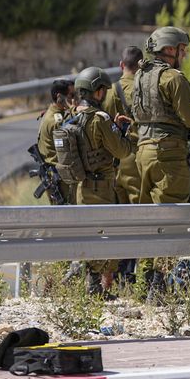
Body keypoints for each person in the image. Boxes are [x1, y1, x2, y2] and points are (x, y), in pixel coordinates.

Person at [132, 26, 190, 298]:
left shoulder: (140, 77)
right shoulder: (173, 78)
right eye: (181, 50)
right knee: (171, 217)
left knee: (148, 218)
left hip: (143, 152)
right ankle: (160, 286)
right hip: (169, 154)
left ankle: (144, 282)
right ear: (169, 50)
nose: (184, 55)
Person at [68, 67, 133, 294]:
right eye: (103, 90)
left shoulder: (72, 117)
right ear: (96, 92)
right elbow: (122, 151)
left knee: (89, 237)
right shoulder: (100, 119)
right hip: (103, 189)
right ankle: (95, 288)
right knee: (105, 237)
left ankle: (90, 285)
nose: (104, 94)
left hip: (81, 188)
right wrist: (123, 131)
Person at [102, 46, 143, 204]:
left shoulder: (109, 92)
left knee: (119, 212)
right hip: (137, 156)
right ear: (140, 65)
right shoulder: (145, 90)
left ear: (121, 65)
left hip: (114, 161)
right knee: (139, 208)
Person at [36, 78, 76, 203]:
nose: (74, 99)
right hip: (59, 179)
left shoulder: (53, 113)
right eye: (71, 95)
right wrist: (73, 109)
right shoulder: (56, 120)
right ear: (59, 97)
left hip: (57, 175)